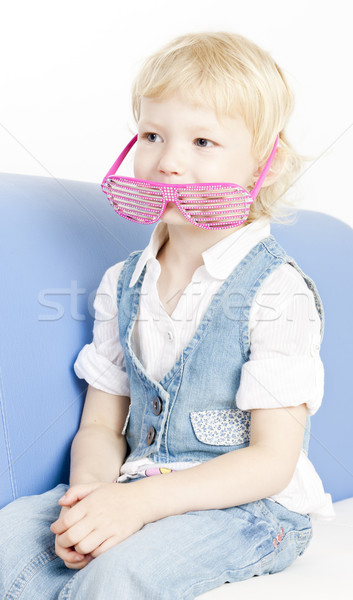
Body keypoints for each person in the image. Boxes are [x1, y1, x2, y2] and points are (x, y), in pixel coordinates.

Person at [0, 31, 335, 599]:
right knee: (8, 544)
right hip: (137, 481)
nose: (169, 161)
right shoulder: (122, 282)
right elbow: (103, 426)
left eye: (203, 141)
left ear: (266, 164)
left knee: (114, 576)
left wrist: (135, 505)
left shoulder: (277, 290)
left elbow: (272, 461)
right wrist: (91, 498)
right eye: (152, 135)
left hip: (250, 509)